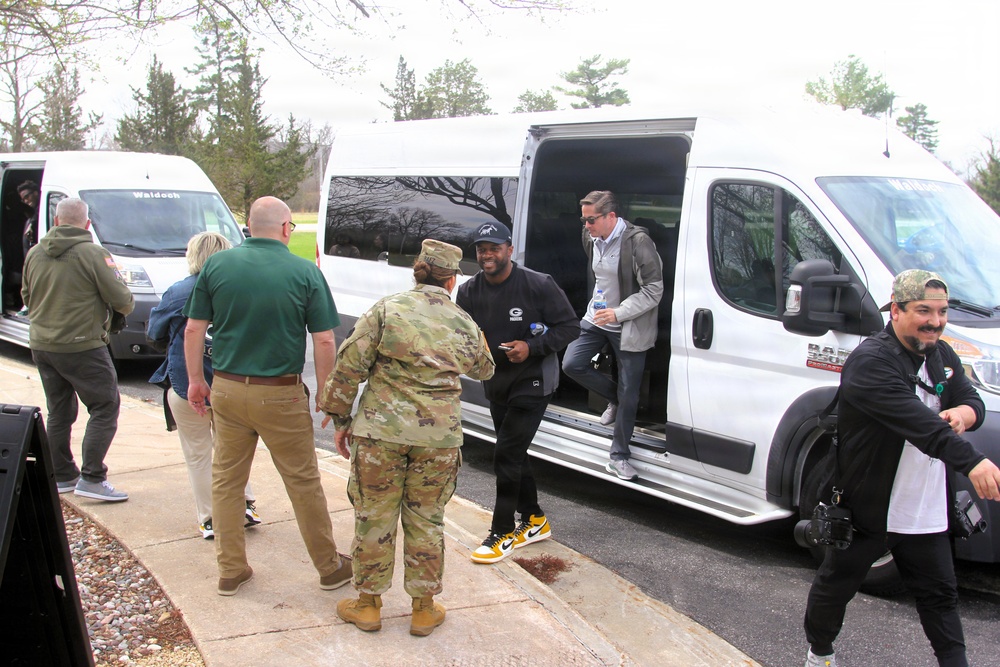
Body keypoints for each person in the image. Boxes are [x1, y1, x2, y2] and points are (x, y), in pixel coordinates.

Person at [802, 269, 1000, 667]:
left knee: (940, 597)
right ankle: (820, 654)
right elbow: (922, 427)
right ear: (896, 310)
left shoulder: (941, 355)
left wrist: (963, 413)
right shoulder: (870, 362)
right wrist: (973, 461)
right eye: (924, 310)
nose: (935, 321)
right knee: (836, 587)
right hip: (868, 506)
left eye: (942, 312)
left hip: (923, 507)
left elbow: (972, 401)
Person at [319, 239, 494, 636]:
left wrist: (341, 418)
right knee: (427, 519)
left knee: (374, 516)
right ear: (452, 280)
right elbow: (484, 369)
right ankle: (423, 610)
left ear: (417, 270)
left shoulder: (386, 309)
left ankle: (367, 606)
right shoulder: (463, 321)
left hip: (380, 434)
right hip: (438, 440)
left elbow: (349, 366)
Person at [183, 196, 350, 597]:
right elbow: (324, 340)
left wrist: (196, 380)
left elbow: (193, 329)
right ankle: (329, 568)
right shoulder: (304, 271)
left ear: (248, 226)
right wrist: (326, 393)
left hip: (226, 389)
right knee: (303, 482)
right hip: (280, 395)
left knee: (227, 481)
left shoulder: (216, 266)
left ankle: (231, 570)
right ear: (286, 228)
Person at [456, 222, 579, 564]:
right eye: (482, 249)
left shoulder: (538, 284)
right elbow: (464, 336)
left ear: (509, 250)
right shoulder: (468, 291)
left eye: (494, 248)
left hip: (534, 380)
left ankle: (502, 532)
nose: (487, 255)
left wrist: (531, 346)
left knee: (506, 455)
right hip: (497, 382)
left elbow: (570, 327)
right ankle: (535, 520)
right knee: (515, 452)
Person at [147, 232, 262, 540]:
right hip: (233, 383)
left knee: (198, 454)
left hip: (186, 384)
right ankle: (245, 504)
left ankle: (210, 518)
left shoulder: (178, 292)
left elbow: (154, 333)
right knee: (233, 451)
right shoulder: (243, 290)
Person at [21, 197, 135, 501]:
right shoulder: (94, 254)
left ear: (56, 221)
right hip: (82, 345)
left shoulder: (35, 253)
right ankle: (92, 478)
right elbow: (122, 299)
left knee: (59, 410)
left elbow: (27, 297)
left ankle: (62, 474)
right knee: (104, 406)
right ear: (87, 224)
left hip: (42, 345)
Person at [561, 190, 663, 481]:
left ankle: (619, 456)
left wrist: (619, 313)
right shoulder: (591, 237)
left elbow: (654, 289)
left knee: (630, 391)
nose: (586, 226)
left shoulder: (638, 242)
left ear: (611, 217)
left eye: (591, 220)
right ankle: (615, 398)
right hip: (596, 318)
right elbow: (600, 278)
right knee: (572, 364)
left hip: (629, 325)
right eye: (584, 220)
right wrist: (602, 310)